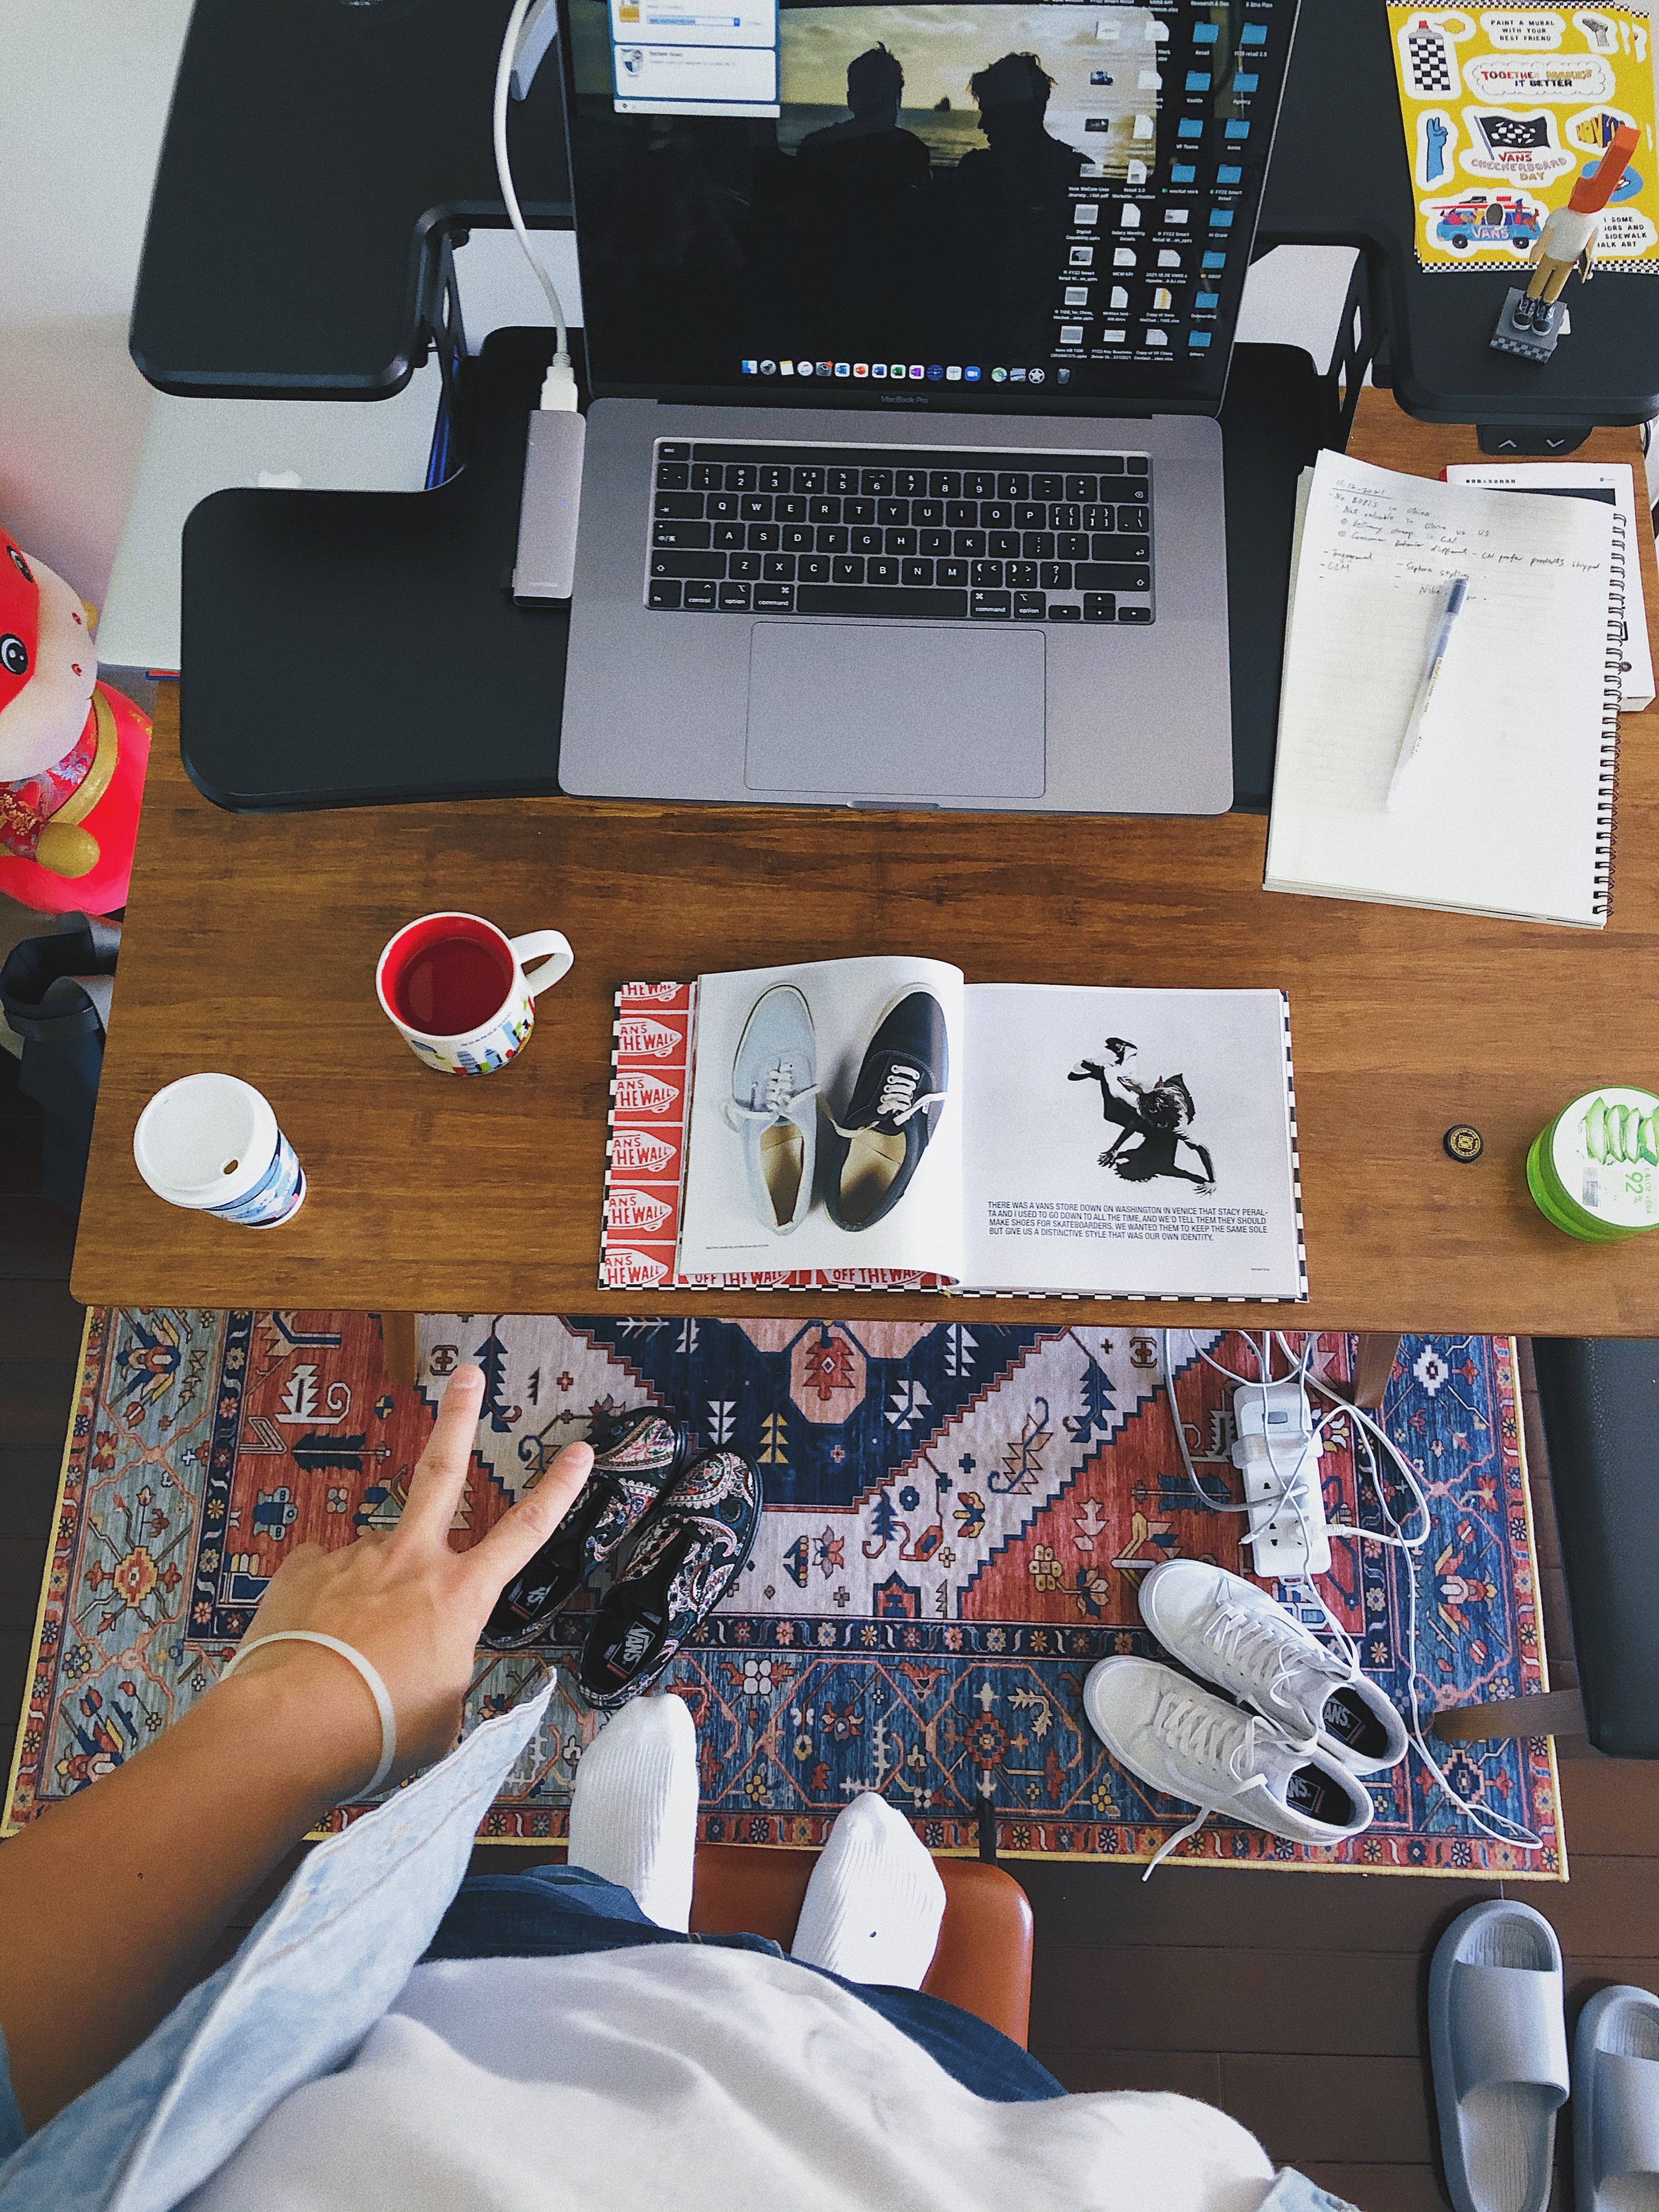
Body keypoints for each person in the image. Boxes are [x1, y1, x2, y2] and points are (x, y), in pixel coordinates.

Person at [0, 1365, 1346, 2209]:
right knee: (881, 2093)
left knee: (551, 1953)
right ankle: (840, 1993)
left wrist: (313, 1700)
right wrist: (311, 1701)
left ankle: (632, 1919)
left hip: (415, 2079)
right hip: (969, 2162)